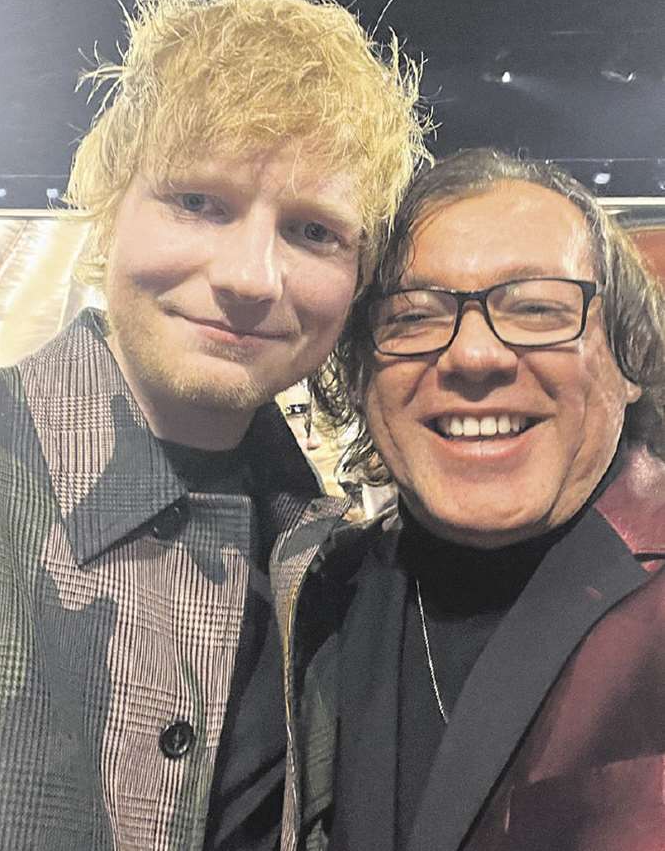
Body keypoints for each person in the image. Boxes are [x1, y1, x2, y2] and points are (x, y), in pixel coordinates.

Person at [0, 0, 430, 851]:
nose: (250, 275)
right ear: (111, 205)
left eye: (312, 231)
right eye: (198, 201)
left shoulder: (337, 573)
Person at [283, 148, 665, 851]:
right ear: (361, 375)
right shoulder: (318, 601)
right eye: (413, 316)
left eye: (536, 308)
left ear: (628, 354)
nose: (473, 356)